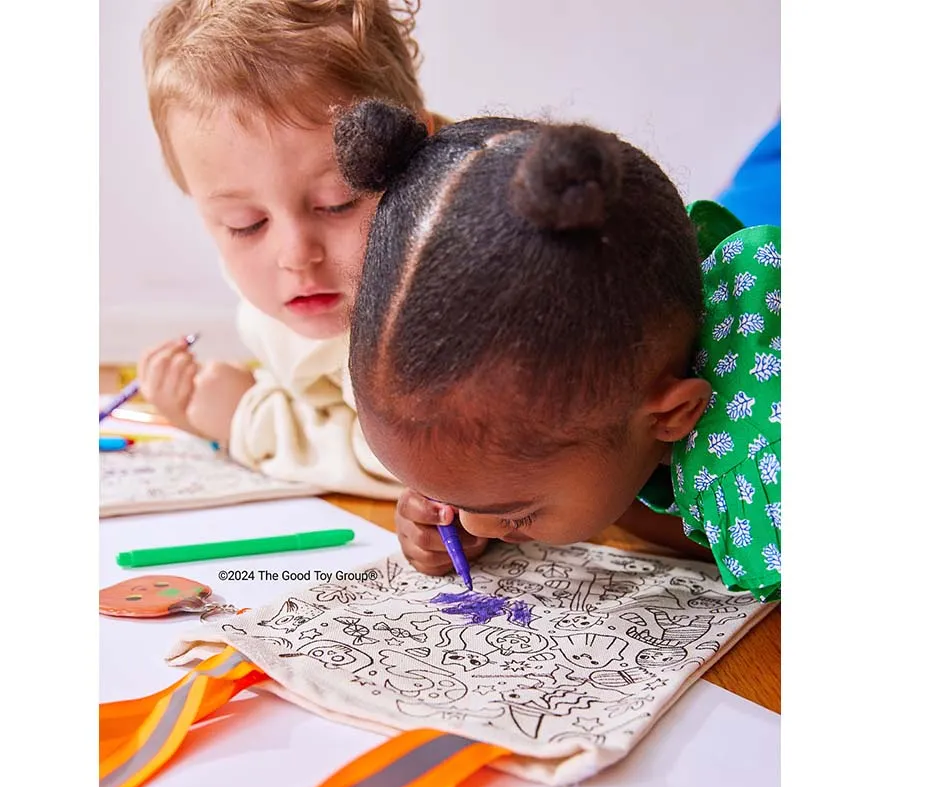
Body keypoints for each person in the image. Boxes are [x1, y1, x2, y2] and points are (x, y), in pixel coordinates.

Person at [333, 100, 781, 600]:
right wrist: (474, 497)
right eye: (453, 501)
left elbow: (738, 547)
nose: (475, 528)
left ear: (674, 413)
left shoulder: (769, 464)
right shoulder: (634, 310)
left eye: (516, 513)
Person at [134, 0, 444, 498]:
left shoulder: (434, 314)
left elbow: (418, 462)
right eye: (246, 225)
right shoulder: (299, 285)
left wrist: (246, 419)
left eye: (337, 203)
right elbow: (316, 373)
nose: (296, 254)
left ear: (417, 154)